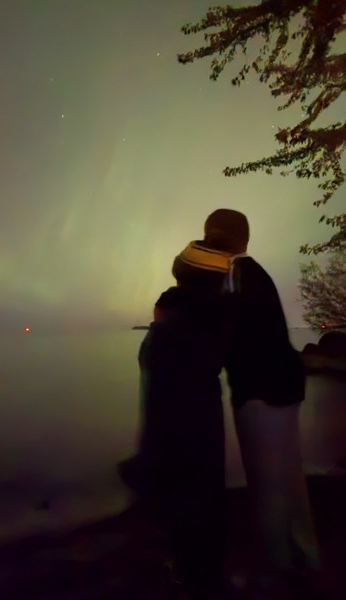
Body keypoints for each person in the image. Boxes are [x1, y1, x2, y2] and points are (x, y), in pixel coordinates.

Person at [204, 208, 323, 595]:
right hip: (283, 387)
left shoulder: (235, 277)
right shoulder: (253, 273)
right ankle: (304, 556)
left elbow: (227, 333)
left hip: (261, 392)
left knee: (267, 482)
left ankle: (276, 568)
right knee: (288, 475)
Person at [133, 240, 233, 599]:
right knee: (202, 501)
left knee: (183, 506)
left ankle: (185, 567)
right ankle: (200, 570)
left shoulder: (166, 331)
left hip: (172, 437)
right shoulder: (204, 326)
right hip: (199, 433)